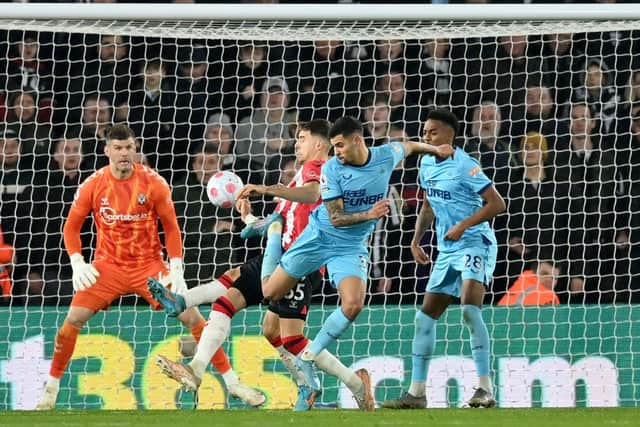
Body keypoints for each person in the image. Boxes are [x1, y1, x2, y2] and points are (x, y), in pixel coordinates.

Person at [151, 120, 375, 411]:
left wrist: (268, 190)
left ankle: (354, 384)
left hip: (300, 266)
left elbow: (312, 195)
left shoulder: (318, 171)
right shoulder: (299, 178)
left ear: (319, 145)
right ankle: (192, 353)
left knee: (290, 337)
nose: (297, 143)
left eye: (302, 138)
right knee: (246, 311)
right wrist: (248, 217)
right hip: (280, 258)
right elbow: (277, 224)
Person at [36, 124, 263, 410]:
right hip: (107, 266)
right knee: (72, 321)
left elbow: (171, 228)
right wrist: (77, 262)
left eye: (128, 147)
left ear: (135, 149)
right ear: (107, 151)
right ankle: (51, 389)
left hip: (149, 267)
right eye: (117, 148)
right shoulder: (93, 184)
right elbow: (71, 227)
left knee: (193, 319)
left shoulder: (153, 183)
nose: (123, 153)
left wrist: (176, 268)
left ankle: (233, 383)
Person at [256, 116, 453, 402]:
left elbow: (409, 146)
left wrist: (437, 150)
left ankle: (308, 356)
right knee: (269, 291)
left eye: (340, 146)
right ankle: (275, 230)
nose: (336, 152)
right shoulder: (332, 169)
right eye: (333, 146)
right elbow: (336, 218)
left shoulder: (386, 156)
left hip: (349, 248)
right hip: (318, 237)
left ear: (357, 140)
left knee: (353, 304)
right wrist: (369, 215)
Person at [382, 109, 505, 409]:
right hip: (447, 250)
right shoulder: (425, 163)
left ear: (449, 135)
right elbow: (428, 203)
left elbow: (497, 204)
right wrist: (415, 239)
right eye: (424, 132)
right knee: (425, 317)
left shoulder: (466, 165)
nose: (426, 137)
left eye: (433, 132)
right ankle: (416, 393)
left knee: (469, 309)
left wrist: (463, 226)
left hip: (476, 243)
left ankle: (485, 389)